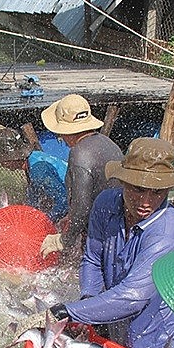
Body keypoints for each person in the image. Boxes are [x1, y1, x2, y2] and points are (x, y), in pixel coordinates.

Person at [49, 137, 174, 348]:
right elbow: (93, 258)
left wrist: (71, 311)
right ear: (123, 182)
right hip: (117, 325)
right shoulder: (105, 203)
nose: (146, 201)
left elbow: (132, 298)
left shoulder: (166, 232)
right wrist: (91, 302)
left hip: (157, 341)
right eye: (138, 189)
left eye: (157, 192)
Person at [38, 94, 123, 259]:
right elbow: (101, 187)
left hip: (100, 234)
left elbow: (82, 206)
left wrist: (64, 240)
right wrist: (71, 218)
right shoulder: (107, 142)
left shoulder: (79, 154)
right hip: (118, 227)